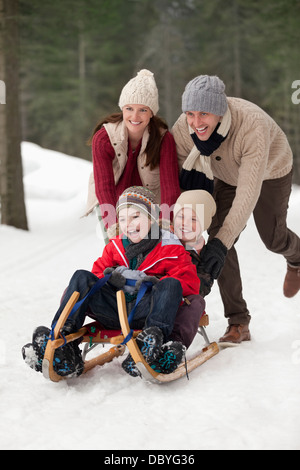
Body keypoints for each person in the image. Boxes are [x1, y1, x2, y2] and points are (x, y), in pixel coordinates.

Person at [172, 74, 300, 343]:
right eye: (190, 114)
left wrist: (221, 244)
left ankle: (297, 259)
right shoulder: (184, 128)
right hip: (225, 175)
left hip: (271, 171)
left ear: (220, 110)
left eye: (204, 113)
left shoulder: (250, 125)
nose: (195, 123)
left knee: (272, 238)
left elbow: (247, 195)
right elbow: (176, 178)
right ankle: (239, 321)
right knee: (219, 236)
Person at [22, 186, 200, 378]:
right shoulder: (114, 247)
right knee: (82, 276)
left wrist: (156, 282)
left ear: (151, 218)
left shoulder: (170, 248)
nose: (128, 224)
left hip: (148, 312)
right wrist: (109, 278)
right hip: (114, 309)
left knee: (172, 284)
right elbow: (96, 274)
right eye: (122, 219)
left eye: (135, 217)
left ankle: (149, 343)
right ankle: (63, 343)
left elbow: (190, 284)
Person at [85, 69, 181, 228]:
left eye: (142, 110)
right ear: (122, 109)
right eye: (129, 109)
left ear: (152, 113)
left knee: (153, 248)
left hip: (150, 202)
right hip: (111, 201)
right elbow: (104, 186)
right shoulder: (104, 138)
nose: (135, 117)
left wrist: (165, 223)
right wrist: (113, 226)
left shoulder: (164, 139)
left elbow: (170, 187)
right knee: (118, 249)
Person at [169, 189, 216, 349]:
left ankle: (175, 346)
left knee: (197, 302)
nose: (185, 223)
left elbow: (202, 287)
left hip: (184, 303)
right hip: (155, 299)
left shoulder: (205, 254)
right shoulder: (164, 240)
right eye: (181, 217)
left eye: (193, 219)